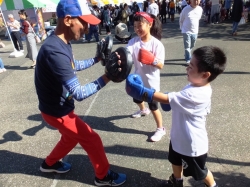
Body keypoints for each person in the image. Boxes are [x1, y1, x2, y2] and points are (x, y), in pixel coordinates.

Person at [34, 0, 127, 186]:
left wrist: (97, 59)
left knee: (69, 138)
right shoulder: (54, 51)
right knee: (92, 139)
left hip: (55, 108)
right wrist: (108, 76)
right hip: (57, 112)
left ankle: (49, 163)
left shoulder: (62, 42)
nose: (86, 29)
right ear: (68, 20)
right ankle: (103, 176)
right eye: (83, 23)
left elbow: (72, 67)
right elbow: (79, 92)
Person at [126, 45, 227, 187]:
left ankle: (212, 185)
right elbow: (175, 98)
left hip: (192, 145)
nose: (187, 68)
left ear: (205, 75)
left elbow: (166, 99)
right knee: (175, 160)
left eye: (191, 66)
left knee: (200, 172)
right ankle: (177, 181)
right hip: (179, 137)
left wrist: (141, 92)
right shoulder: (195, 85)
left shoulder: (196, 94)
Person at [126, 12, 165, 142]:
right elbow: (127, 54)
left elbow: (160, 65)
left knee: (154, 107)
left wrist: (152, 60)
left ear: (150, 24)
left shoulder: (157, 44)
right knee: (136, 98)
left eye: (140, 25)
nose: (137, 29)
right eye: (135, 26)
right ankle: (143, 110)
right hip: (138, 80)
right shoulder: (133, 42)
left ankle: (160, 129)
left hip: (152, 84)